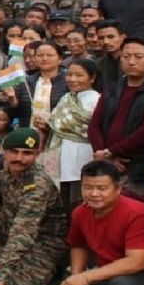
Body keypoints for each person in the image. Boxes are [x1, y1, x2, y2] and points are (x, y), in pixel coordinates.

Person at [0, 128, 69, 285]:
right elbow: (0, 176)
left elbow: (23, 232)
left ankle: (51, 268)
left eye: (27, 153)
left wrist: (3, 276)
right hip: (12, 225)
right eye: (14, 152)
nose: (19, 158)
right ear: (4, 152)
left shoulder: (37, 185)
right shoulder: (12, 170)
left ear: (37, 154)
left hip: (43, 241)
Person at [61, 160, 144, 285]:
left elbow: (136, 262)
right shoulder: (79, 212)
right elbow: (78, 245)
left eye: (102, 188)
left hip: (142, 274)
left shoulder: (137, 212)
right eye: (88, 188)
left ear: (118, 189)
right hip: (105, 271)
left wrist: (86, 277)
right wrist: (75, 278)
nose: (94, 194)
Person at [89, 37, 144, 195]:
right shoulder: (113, 87)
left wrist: (110, 151)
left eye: (138, 57)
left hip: (136, 167)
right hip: (106, 163)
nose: (131, 62)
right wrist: (104, 155)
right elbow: (95, 124)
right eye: (126, 57)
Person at [42, 58, 100, 208]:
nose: (73, 79)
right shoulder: (66, 98)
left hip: (84, 155)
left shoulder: (97, 100)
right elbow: (57, 124)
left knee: (80, 202)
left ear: (92, 78)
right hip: (62, 156)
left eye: (79, 75)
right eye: (69, 74)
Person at [96, 19, 127, 92]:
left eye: (111, 37)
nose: (105, 42)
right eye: (101, 38)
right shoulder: (99, 64)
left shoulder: (134, 61)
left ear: (122, 37)